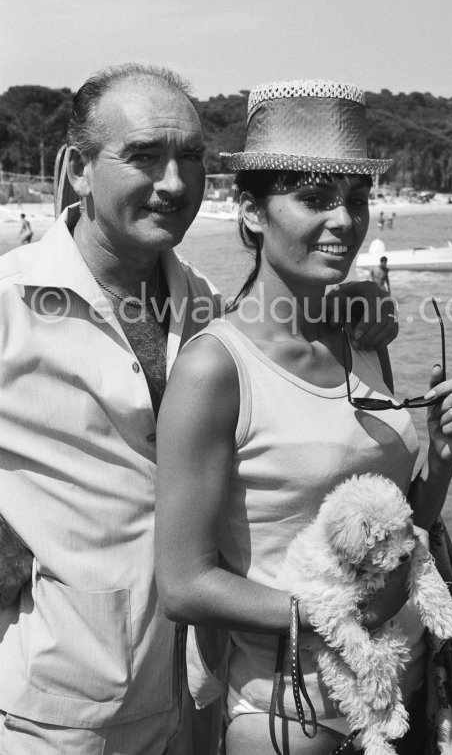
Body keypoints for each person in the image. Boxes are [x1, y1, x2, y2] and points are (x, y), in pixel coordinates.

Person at [0, 67, 397, 755]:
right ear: (77, 169)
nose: (175, 183)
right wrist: (26, 579)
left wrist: (353, 308)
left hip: (200, 693)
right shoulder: (11, 300)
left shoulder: (207, 305)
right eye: (145, 157)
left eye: (190, 158)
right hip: (55, 709)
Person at [154, 80, 452, 755]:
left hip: (405, 689)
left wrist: (443, 458)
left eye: (357, 200)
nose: (343, 220)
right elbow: (184, 584)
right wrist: (341, 617)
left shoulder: (361, 339)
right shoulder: (215, 368)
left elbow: (397, 528)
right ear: (250, 210)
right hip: (295, 714)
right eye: (313, 198)